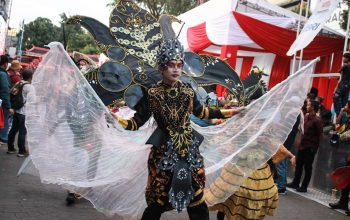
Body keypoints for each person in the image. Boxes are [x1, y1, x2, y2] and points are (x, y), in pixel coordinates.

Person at [112, 39, 243, 220]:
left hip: (189, 150)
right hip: (163, 152)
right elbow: (136, 123)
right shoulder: (152, 94)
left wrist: (232, 111)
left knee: (196, 196)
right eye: (171, 65)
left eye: (179, 65)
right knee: (158, 199)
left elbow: (203, 112)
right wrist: (116, 120)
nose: (175, 69)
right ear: (161, 68)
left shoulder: (188, 90)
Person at [213, 144, 296, 220]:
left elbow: (276, 144)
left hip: (257, 172)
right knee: (228, 197)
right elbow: (230, 142)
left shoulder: (264, 133)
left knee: (252, 199)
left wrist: (291, 156)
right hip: (238, 170)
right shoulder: (243, 130)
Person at [287, 100, 323, 192]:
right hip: (302, 145)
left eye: (309, 105)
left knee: (307, 167)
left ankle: (304, 186)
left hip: (310, 147)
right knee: (299, 165)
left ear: (313, 108)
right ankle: (295, 182)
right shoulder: (306, 116)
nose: (307, 106)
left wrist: (315, 148)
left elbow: (320, 135)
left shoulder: (317, 121)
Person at [7, 69, 34, 157]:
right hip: (24, 112)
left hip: (16, 110)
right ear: (30, 77)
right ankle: (21, 151)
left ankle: (10, 148)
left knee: (13, 130)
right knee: (22, 131)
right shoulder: (30, 87)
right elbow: (33, 101)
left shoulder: (18, 83)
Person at [0, 55, 14, 144]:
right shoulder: (2, 74)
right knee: (3, 123)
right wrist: (8, 107)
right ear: (5, 64)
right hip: (2, 105)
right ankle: (2, 138)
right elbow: (5, 91)